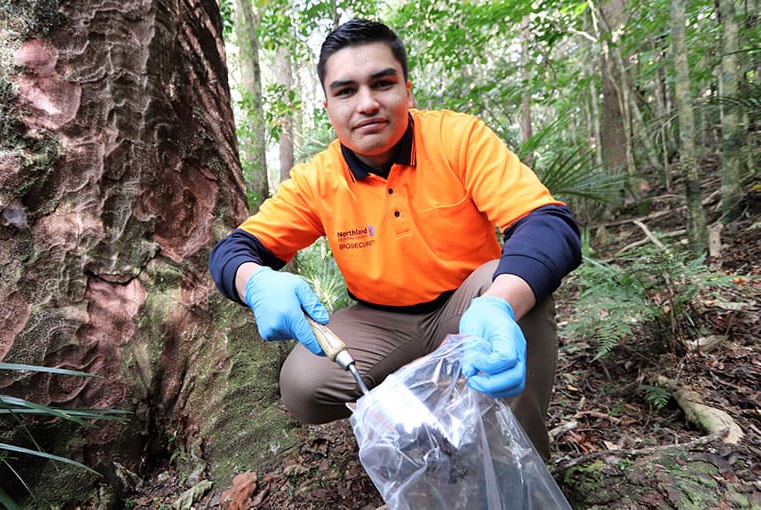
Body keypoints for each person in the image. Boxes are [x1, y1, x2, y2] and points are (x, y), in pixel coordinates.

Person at [209, 18, 581, 461]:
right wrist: (254, 280)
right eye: (346, 91)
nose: (366, 104)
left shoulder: (457, 139)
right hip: (380, 320)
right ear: (327, 105)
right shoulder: (317, 179)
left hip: (471, 304)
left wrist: (499, 303)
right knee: (302, 386)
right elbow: (235, 249)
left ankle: (520, 466)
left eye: (382, 84)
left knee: (520, 290)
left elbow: (547, 223)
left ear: (407, 91)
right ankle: (425, 407)